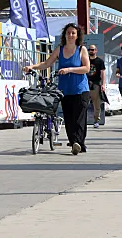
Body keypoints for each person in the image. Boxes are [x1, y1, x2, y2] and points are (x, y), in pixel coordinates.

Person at [24, 23, 90, 155]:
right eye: (68, 33)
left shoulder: (81, 49)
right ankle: (75, 143)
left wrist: (69, 69)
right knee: (69, 118)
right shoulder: (60, 49)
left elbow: (86, 68)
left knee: (79, 118)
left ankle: (78, 142)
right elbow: (47, 63)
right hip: (65, 90)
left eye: (73, 33)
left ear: (77, 36)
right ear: (65, 35)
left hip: (80, 89)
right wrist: (32, 67)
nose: (70, 35)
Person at [87, 44, 106, 128]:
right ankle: (83, 120)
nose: (91, 51)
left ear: (96, 50)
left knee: (96, 104)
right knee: (83, 103)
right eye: (90, 50)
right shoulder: (85, 60)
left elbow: (103, 73)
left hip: (96, 84)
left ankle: (96, 121)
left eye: (92, 49)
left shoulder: (100, 61)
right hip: (86, 84)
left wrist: (103, 84)